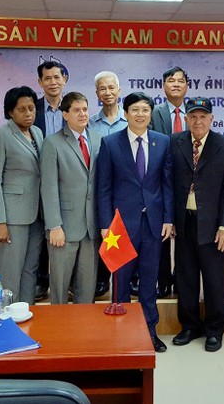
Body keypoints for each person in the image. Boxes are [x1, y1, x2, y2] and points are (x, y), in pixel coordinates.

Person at [97, 92, 174, 353]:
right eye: (135, 110)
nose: (140, 114)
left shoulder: (162, 142)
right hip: (120, 227)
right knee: (120, 283)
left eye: (145, 109)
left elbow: (166, 184)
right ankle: (121, 334)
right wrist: (106, 224)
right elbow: (103, 188)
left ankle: (151, 332)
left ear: (150, 113)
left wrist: (168, 218)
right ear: (125, 113)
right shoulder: (110, 143)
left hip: (153, 224)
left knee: (149, 282)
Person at [170, 97, 224, 353]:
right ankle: (189, 326)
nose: (198, 121)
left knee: (213, 279)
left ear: (211, 119)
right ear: (186, 119)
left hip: (213, 225)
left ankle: (214, 330)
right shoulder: (175, 142)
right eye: (193, 116)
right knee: (185, 277)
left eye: (203, 116)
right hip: (184, 221)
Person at [40, 92, 102, 304]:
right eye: (76, 110)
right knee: (60, 288)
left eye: (85, 109)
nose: (82, 114)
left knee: (87, 288)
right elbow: (48, 188)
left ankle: (84, 333)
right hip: (63, 228)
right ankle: (59, 334)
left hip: (91, 226)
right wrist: (54, 226)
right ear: (65, 114)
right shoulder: (52, 143)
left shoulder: (97, 138)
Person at [0, 86, 44, 304]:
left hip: (37, 214)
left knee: (30, 270)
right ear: (10, 111)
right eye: (22, 109)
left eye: (31, 108)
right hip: (11, 218)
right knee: (11, 272)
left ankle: (25, 314)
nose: (29, 113)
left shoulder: (37, 132)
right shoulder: (0, 135)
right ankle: (6, 321)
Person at [149, 66, 188, 299]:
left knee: (185, 235)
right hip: (161, 180)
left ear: (187, 86)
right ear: (163, 86)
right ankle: (163, 281)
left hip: (188, 183)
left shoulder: (194, 112)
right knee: (161, 235)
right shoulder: (155, 112)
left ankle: (181, 279)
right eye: (171, 81)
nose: (175, 84)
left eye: (180, 81)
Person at [89, 71, 128, 298]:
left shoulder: (131, 120)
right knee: (102, 234)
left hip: (126, 190)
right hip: (100, 188)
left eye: (111, 87)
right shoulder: (90, 124)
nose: (108, 92)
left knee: (128, 235)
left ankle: (128, 280)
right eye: (102, 88)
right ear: (97, 94)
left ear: (119, 90)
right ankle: (102, 279)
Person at [33, 60, 68, 301]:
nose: (53, 82)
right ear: (40, 82)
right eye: (47, 78)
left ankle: (68, 281)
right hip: (37, 183)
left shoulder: (76, 107)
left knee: (66, 233)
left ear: (64, 79)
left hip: (67, 183)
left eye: (57, 77)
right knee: (41, 235)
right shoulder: (30, 109)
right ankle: (41, 282)